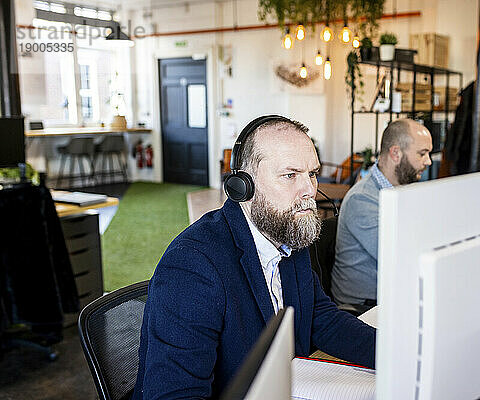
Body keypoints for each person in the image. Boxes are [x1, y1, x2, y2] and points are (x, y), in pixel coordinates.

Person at [132, 115, 375, 399]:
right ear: (243, 186)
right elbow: (175, 394)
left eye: (311, 173)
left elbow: (321, 318)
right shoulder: (192, 266)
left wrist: (395, 355)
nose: (309, 189)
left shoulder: (287, 233)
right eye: (290, 175)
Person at [331, 119, 433, 306]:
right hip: (363, 307)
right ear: (395, 153)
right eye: (422, 154)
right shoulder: (361, 199)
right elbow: (402, 256)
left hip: (391, 295)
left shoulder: (403, 190)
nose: (428, 161)